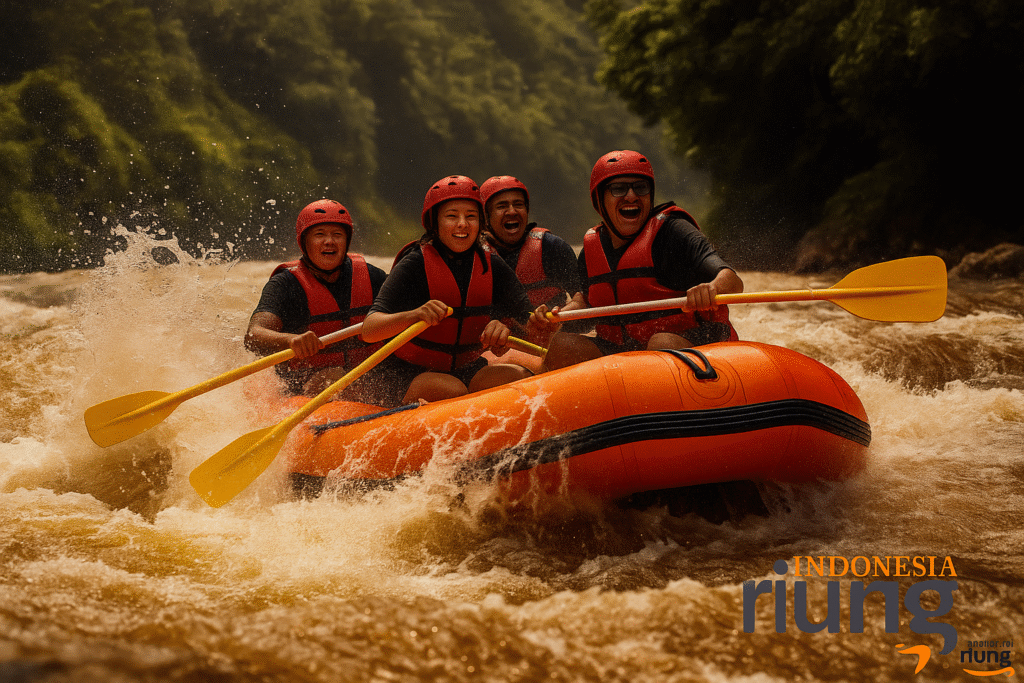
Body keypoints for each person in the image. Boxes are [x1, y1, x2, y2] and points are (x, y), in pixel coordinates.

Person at [536, 150, 743, 370]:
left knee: (661, 343)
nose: (632, 196)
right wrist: (556, 318)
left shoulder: (673, 232)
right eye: (619, 189)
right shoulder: (591, 249)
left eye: (640, 187)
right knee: (563, 345)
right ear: (599, 199)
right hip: (624, 352)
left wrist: (711, 288)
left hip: (693, 346)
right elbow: (585, 303)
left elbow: (732, 280)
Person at [361, 175, 555, 403]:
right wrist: (414, 314)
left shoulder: (491, 265)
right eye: (452, 216)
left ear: (481, 223)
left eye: (471, 216)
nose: (463, 224)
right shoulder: (414, 264)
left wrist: (526, 324)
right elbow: (369, 330)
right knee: (450, 390)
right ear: (435, 223)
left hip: (466, 367)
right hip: (408, 370)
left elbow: (528, 321)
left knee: (519, 378)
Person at [245, 199, 393, 402]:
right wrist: (290, 340)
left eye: (337, 235)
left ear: (346, 241)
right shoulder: (285, 284)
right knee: (332, 378)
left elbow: (403, 313)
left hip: (366, 381)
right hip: (304, 389)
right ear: (304, 242)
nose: (329, 241)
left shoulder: (372, 276)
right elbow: (254, 335)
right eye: (320, 234)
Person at [479, 175, 581, 310]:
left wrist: (555, 318)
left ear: (527, 210)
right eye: (501, 206)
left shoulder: (552, 247)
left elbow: (581, 299)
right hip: (501, 330)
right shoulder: (475, 256)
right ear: (486, 218)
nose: (512, 211)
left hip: (554, 326)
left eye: (518, 204)